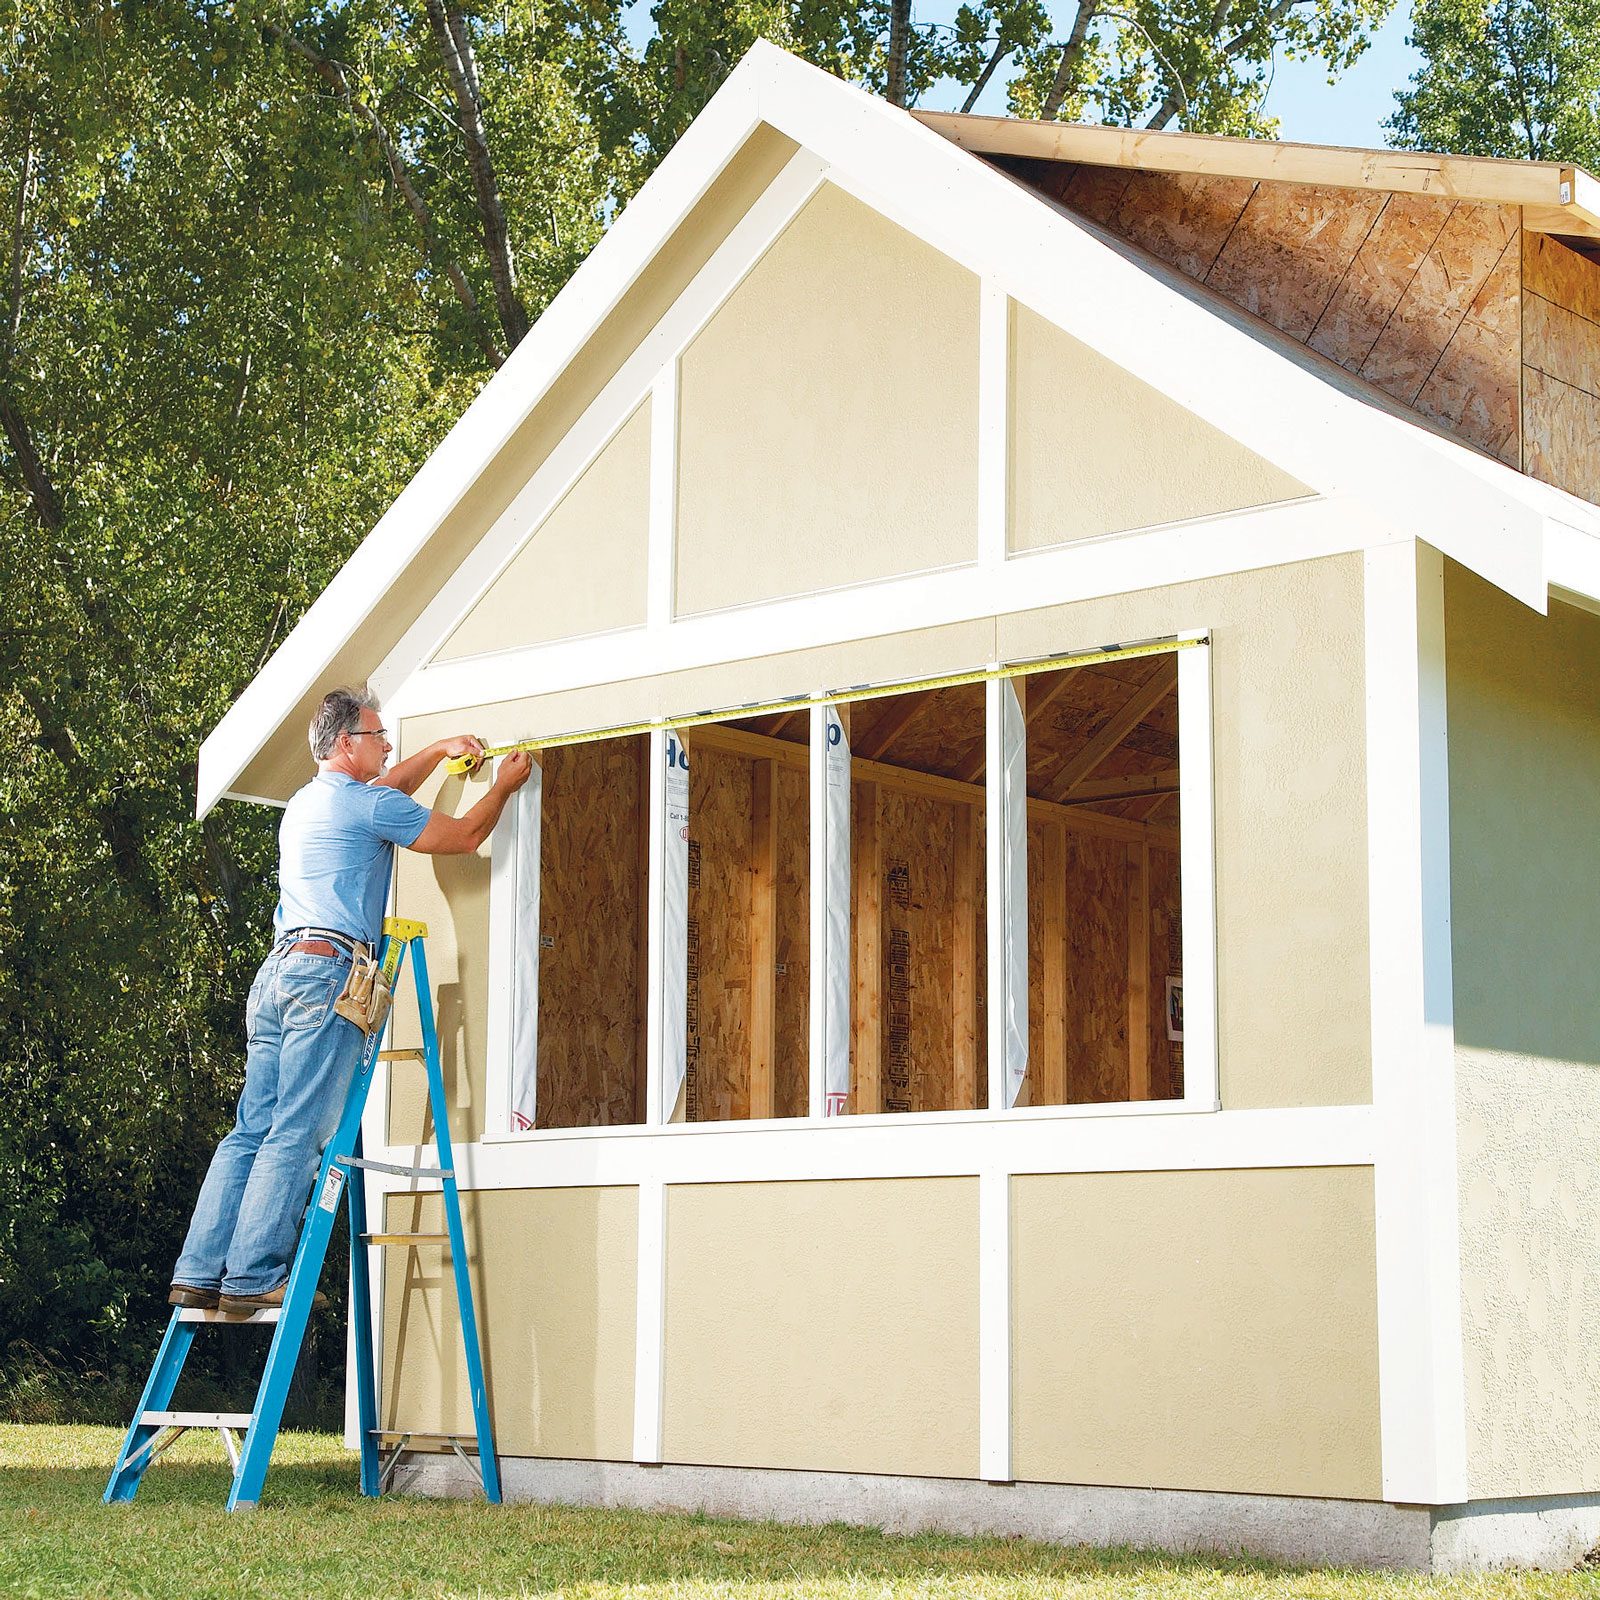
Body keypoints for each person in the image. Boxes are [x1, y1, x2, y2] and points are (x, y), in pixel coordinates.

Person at [170, 686, 532, 1314]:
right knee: (298, 1130)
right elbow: (465, 834)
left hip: (277, 976)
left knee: (251, 1129)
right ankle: (252, 1276)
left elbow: (387, 788)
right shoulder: (367, 806)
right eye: (378, 735)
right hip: (326, 976)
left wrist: (437, 751)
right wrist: (502, 785)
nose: (387, 745)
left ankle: (198, 1271)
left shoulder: (307, 803)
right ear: (346, 743)